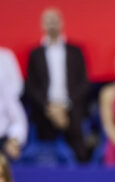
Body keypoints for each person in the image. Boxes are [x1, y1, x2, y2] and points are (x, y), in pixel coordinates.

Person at [24, 8, 91, 162]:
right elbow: (31, 87)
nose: (52, 25)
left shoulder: (75, 51)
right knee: (46, 157)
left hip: (71, 110)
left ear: (62, 23)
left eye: (55, 21)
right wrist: (50, 107)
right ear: (42, 25)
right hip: (44, 111)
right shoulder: (35, 54)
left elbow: (83, 83)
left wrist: (64, 106)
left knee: (80, 153)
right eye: (48, 21)